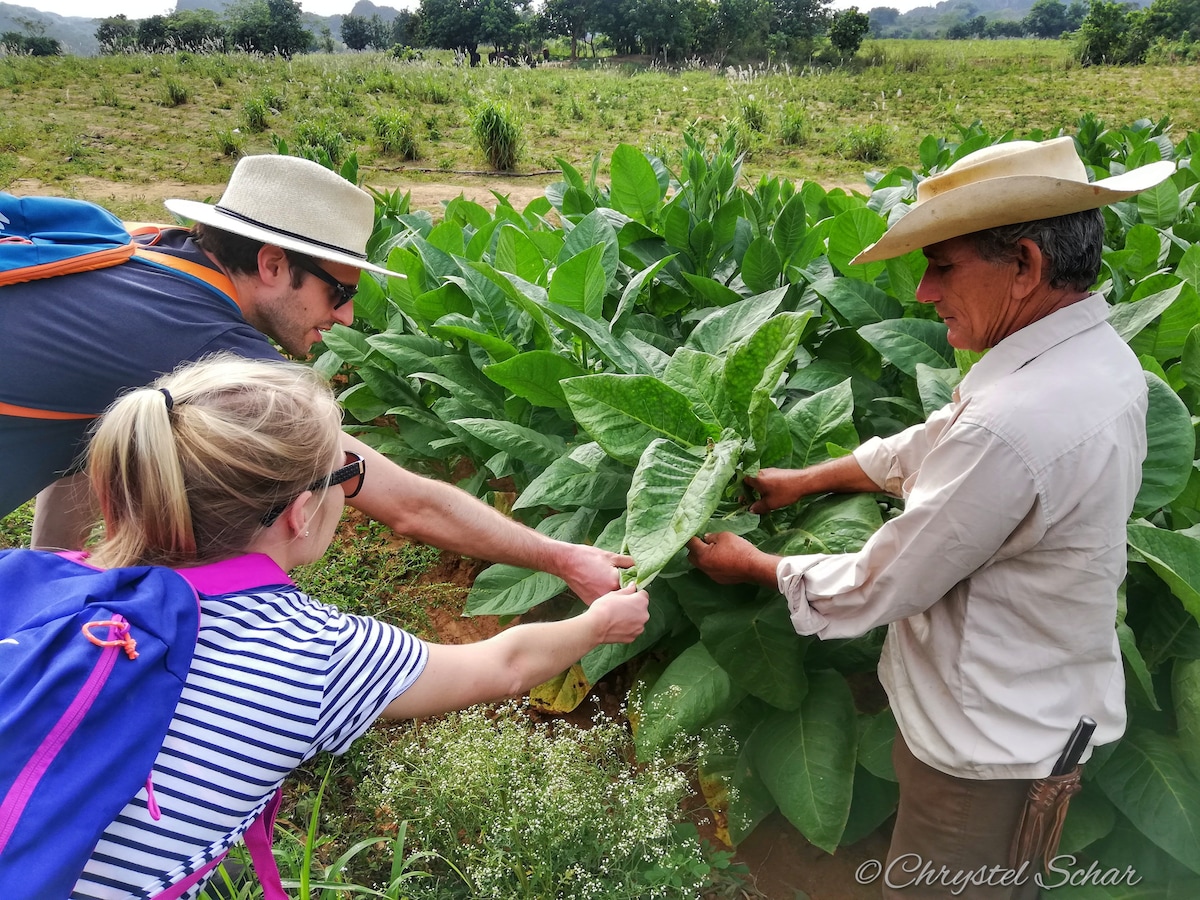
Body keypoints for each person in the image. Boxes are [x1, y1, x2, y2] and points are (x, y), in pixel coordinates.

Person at [686, 137, 1174, 897]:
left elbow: (886, 580)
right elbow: (943, 441)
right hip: (1043, 713)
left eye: (942, 265)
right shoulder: (1097, 362)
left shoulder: (1014, 422)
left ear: (1026, 266)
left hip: (981, 759)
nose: (922, 292)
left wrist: (753, 566)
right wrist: (812, 478)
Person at [62, 353, 650, 898]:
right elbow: (508, 665)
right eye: (344, 475)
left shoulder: (42, 581)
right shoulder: (316, 651)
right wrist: (600, 623)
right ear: (300, 511)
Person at [0, 154, 627, 600]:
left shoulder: (143, 254)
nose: (348, 314)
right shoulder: (208, 347)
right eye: (340, 290)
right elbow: (405, 504)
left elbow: (84, 430)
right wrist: (562, 555)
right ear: (273, 264)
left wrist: (47, 582)